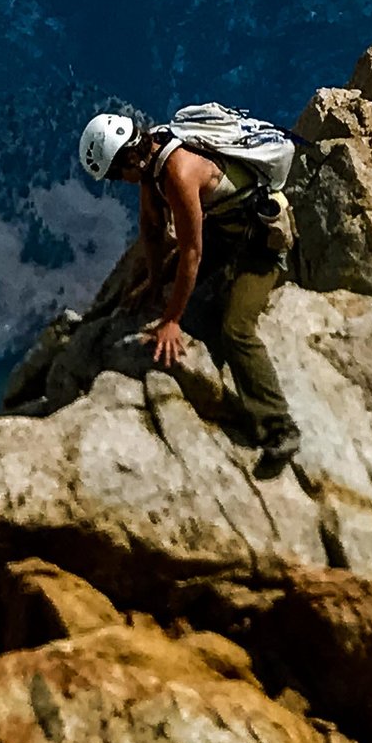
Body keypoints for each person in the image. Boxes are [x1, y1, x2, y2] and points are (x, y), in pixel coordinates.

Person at [78, 111, 303, 477]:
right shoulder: (154, 162)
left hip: (260, 245)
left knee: (236, 330)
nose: (119, 181)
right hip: (227, 231)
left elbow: (191, 255)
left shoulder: (177, 174)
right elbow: (151, 231)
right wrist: (153, 285)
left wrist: (171, 320)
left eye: (117, 173)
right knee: (182, 285)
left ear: (129, 157)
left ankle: (279, 426)